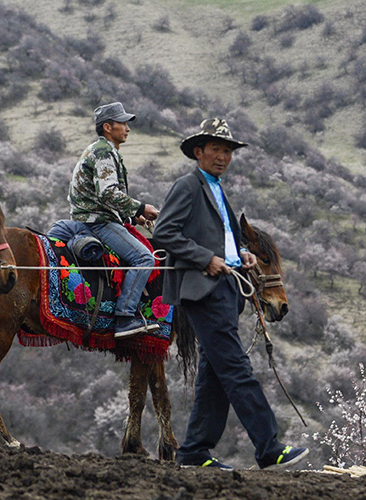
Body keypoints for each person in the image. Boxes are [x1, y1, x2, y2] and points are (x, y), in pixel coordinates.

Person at [153, 118, 308, 471]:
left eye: (227, 151)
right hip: (203, 289)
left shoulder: (216, 188)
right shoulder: (187, 186)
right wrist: (205, 258)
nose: (223, 156)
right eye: (216, 150)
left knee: (215, 370)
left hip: (225, 288)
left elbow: (219, 235)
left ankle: (194, 451)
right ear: (199, 152)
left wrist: (241, 253)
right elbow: (164, 232)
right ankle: (269, 448)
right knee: (237, 368)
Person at [68, 102, 160, 338]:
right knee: (144, 258)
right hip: (98, 223)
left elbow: (103, 196)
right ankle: (125, 317)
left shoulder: (102, 149)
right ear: (108, 127)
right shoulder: (104, 152)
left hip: (94, 217)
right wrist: (141, 206)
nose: (127, 128)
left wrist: (133, 216)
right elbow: (108, 193)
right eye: (122, 123)